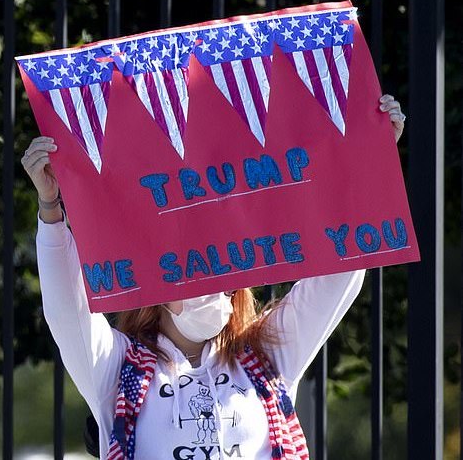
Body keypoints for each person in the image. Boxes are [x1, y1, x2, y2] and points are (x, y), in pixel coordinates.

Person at [21, 96, 405, 459]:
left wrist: (372, 156)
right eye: (192, 273)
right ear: (157, 286)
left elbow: (341, 271)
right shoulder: (115, 368)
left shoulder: (266, 355)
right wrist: (51, 208)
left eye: (220, 274)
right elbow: (67, 310)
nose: (209, 285)